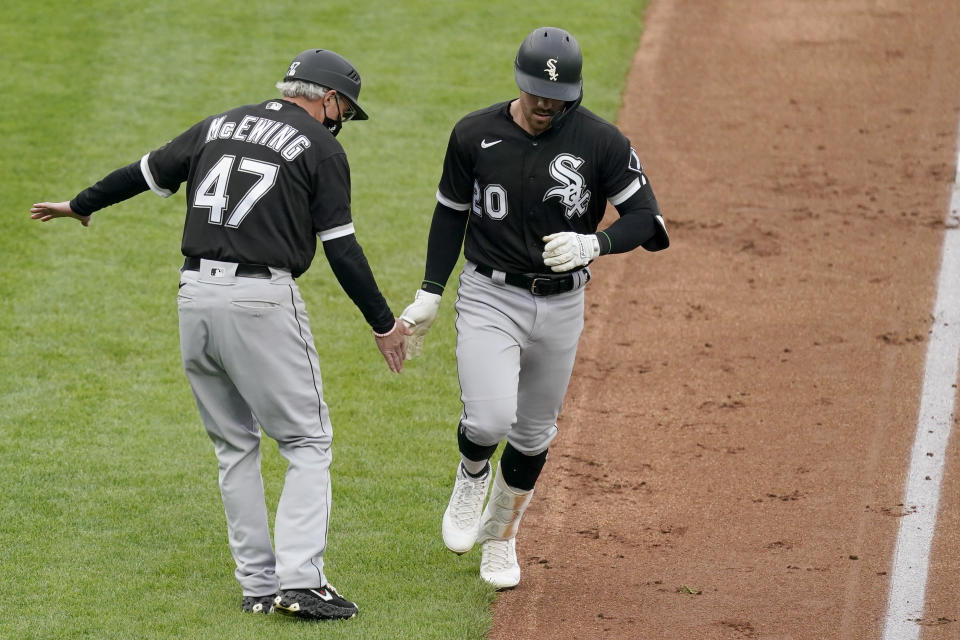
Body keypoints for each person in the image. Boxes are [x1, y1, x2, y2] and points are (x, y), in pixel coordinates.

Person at [30, 48, 409, 619]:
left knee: (235, 445)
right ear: (326, 97)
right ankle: (302, 582)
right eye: (344, 110)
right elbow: (342, 250)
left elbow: (145, 170)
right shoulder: (322, 149)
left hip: (194, 299)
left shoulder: (221, 123)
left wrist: (80, 204)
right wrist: (383, 323)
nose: (342, 122)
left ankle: (258, 586)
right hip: (260, 301)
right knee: (307, 441)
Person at [399, 27, 669, 589]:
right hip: (489, 295)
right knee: (490, 419)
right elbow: (450, 214)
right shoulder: (474, 133)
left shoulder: (602, 141)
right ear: (518, 82)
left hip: (562, 304)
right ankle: (472, 476)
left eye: (558, 96)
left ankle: (502, 539)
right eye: (536, 93)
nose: (546, 104)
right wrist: (430, 291)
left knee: (532, 435)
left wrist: (597, 243)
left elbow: (649, 220)